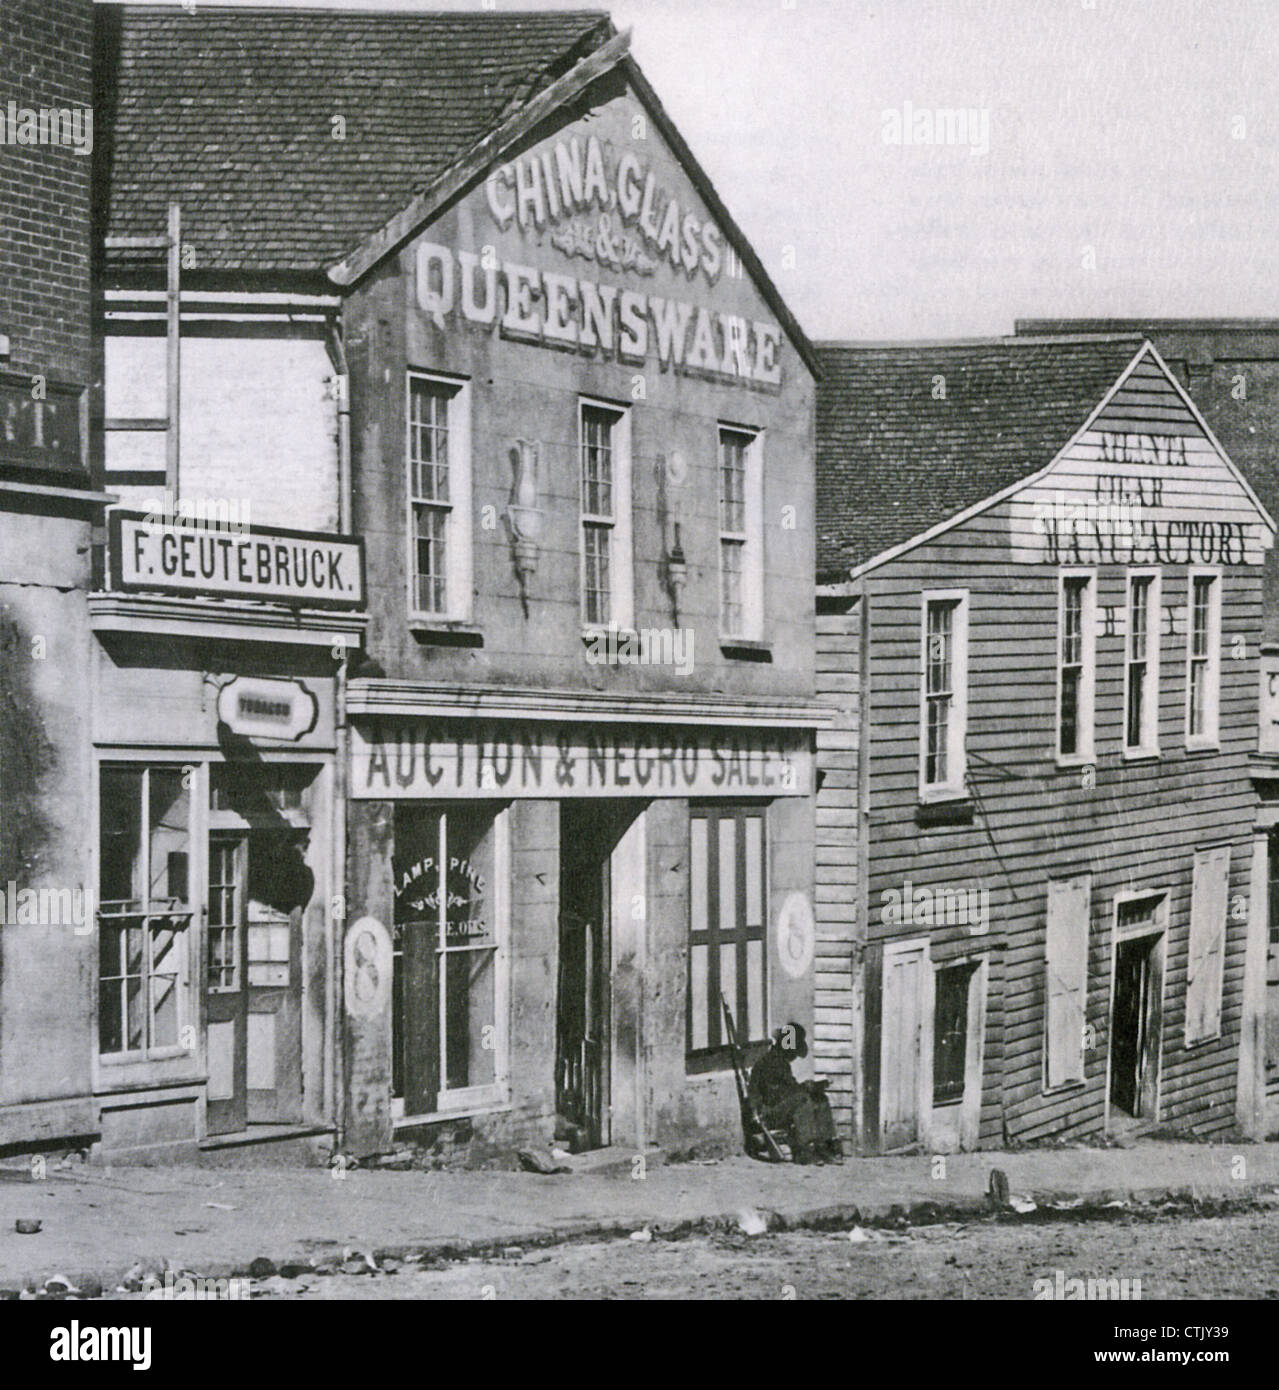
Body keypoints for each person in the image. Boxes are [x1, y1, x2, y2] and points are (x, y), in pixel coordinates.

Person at [748, 1022, 842, 1164]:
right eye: (794, 1050)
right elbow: (780, 1094)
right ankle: (805, 1149)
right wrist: (806, 1087)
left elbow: (789, 1091)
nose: (794, 1056)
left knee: (820, 1098)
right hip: (770, 1113)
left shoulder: (780, 1062)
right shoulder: (769, 1063)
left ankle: (825, 1145)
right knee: (802, 1099)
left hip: (783, 1107)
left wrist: (812, 1088)